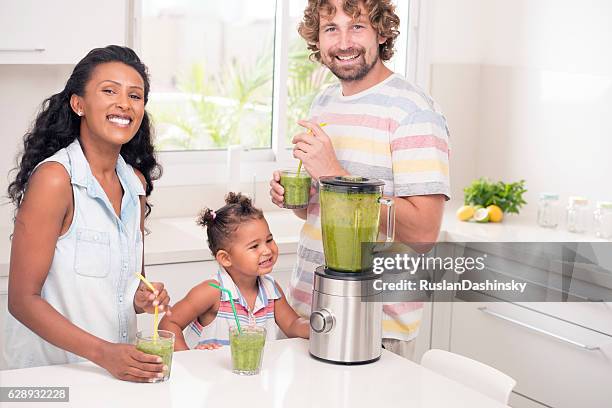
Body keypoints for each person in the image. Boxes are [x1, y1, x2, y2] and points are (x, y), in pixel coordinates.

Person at [269, 0, 450, 359]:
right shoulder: (324, 102)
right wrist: (299, 200)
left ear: (382, 32)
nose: (343, 42)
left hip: (372, 325)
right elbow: (322, 213)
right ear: (317, 40)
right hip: (307, 312)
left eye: (357, 26)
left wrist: (335, 175)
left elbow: (424, 233)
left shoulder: (413, 112)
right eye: (331, 29)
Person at [5, 45, 171, 382]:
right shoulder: (55, 179)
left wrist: (141, 297)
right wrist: (102, 353)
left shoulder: (134, 184)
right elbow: (22, 300)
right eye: (109, 90)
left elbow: (127, 282)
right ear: (78, 104)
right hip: (50, 379)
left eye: (135, 96)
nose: (124, 103)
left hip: (115, 375)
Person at [159, 193, 309, 350]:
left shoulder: (271, 290)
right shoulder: (212, 292)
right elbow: (168, 324)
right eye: (254, 246)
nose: (266, 250)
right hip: (207, 374)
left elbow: (292, 324)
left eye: (269, 240)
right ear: (225, 258)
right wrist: (191, 357)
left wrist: (315, 327)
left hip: (256, 373)